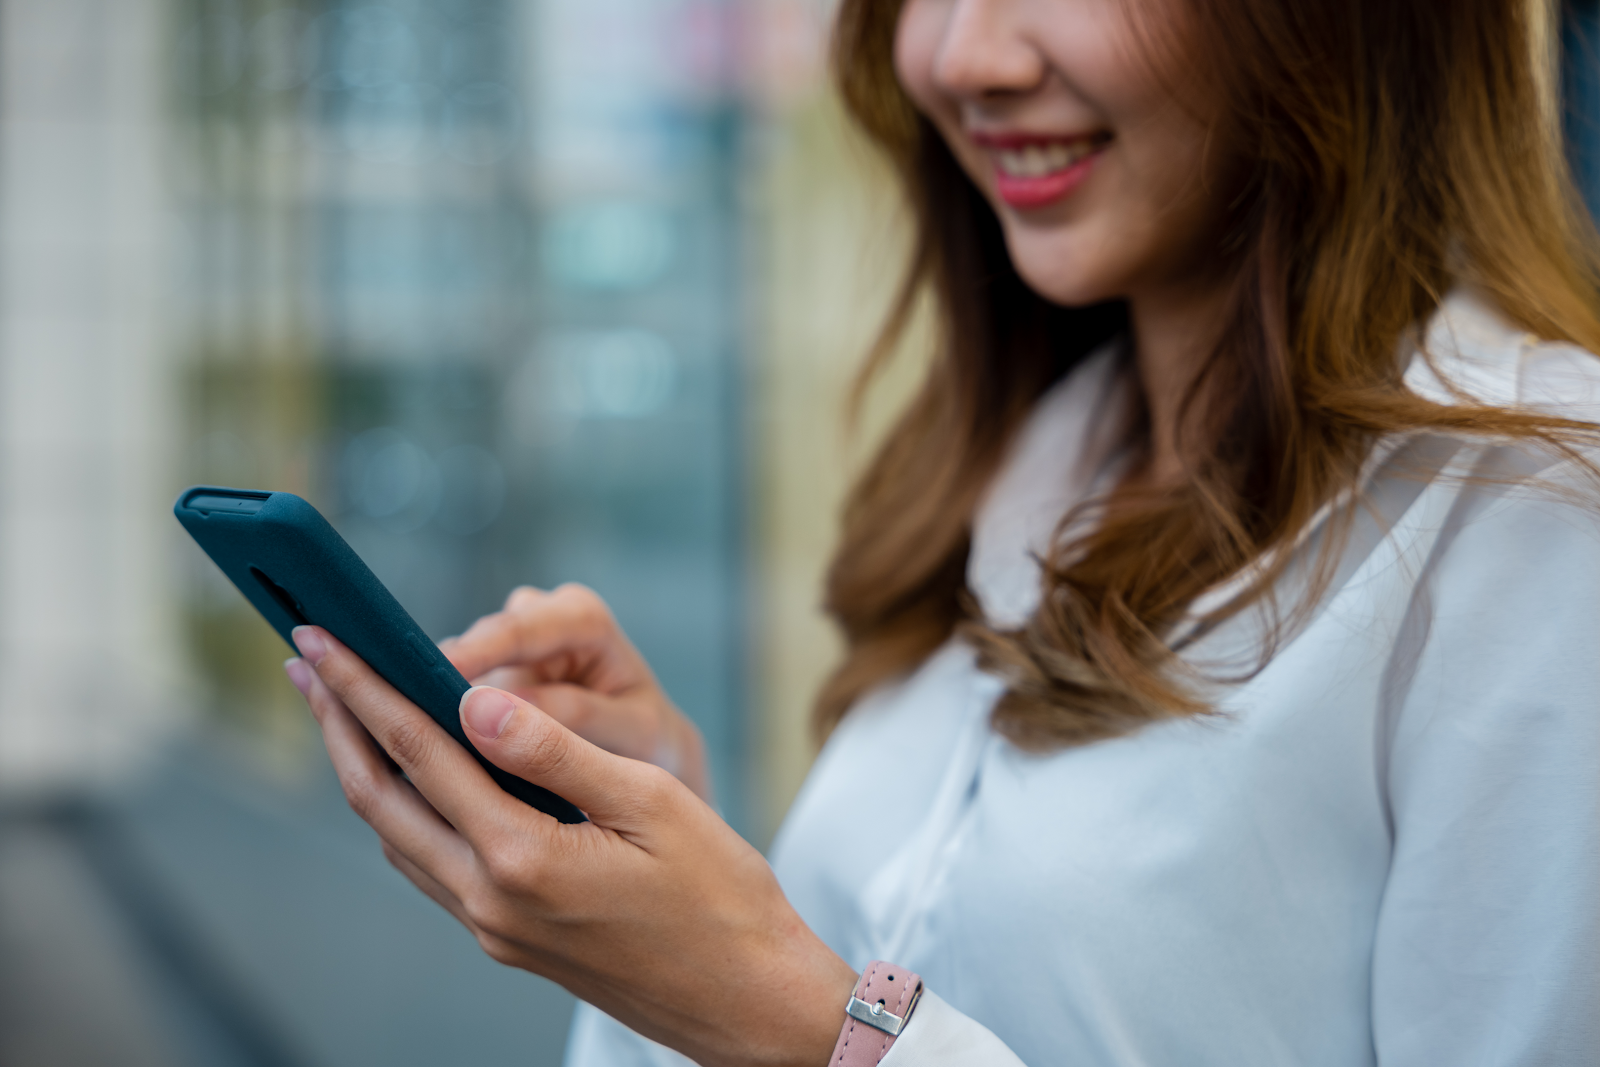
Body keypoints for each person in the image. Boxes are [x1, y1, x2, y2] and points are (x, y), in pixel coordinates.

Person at [281, 0, 1600, 1063]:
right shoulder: (1026, 461)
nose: (963, 52)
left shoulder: (1538, 517)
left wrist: (801, 1031)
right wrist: (665, 890)